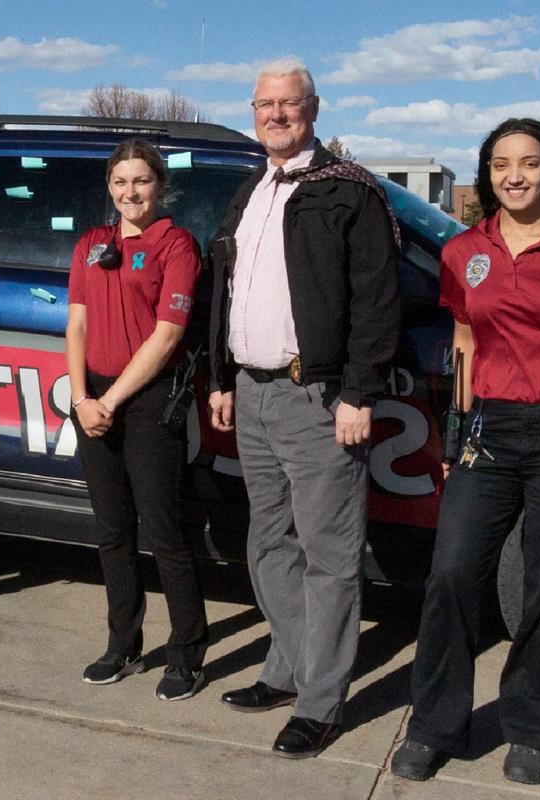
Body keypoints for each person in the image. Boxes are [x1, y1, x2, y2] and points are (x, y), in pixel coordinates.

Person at [391, 118, 540, 785]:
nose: (515, 176)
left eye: (530, 163)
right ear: (488, 172)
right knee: (451, 574)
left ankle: (533, 728)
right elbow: (464, 339)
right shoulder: (465, 251)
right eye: (502, 163)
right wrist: (457, 429)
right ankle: (435, 725)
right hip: (489, 430)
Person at [208, 58, 400, 757]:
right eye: (265, 104)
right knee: (268, 546)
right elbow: (222, 294)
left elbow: (378, 301)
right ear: (253, 110)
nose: (276, 115)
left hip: (318, 397)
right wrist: (221, 376)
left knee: (329, 556)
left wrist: (359, 391)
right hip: (252, 393)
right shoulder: (250, 191)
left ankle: (322, 702)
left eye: (289, 104)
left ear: (312, 109)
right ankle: (288, 669)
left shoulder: (349, 192)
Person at [66, 137, 209, 701]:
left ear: (160, 185)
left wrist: (113, 401)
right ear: (109, 187)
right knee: (112, 532)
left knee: (164, 532)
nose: (131, 192)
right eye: (121, 182)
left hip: (147, 399)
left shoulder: (176, 245)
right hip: (93, 400)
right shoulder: (90, 245)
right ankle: (122, 645)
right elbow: (75, 326)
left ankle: (187, 655)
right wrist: (82, 399)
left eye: (142, 181)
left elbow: (168, 334)